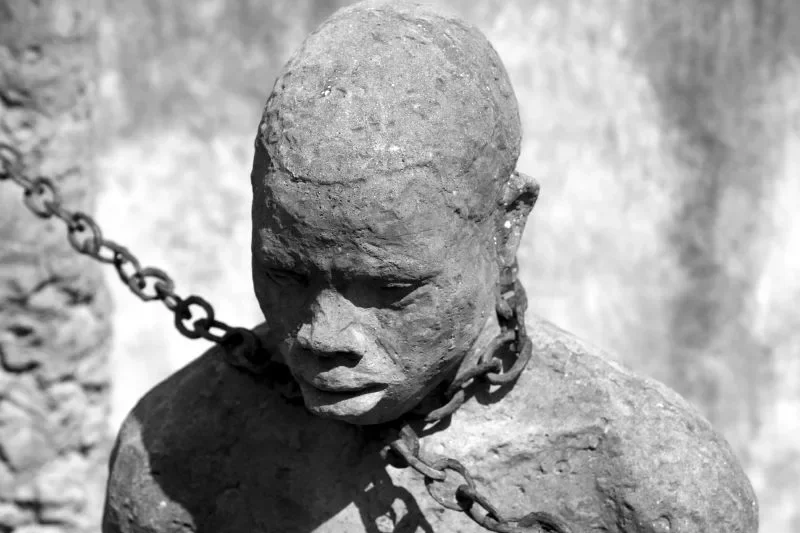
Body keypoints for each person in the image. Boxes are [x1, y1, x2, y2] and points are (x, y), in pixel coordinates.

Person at [102, 2, 758, 532]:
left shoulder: (651, 483)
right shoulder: (174, 459)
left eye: (390, 287)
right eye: (287, 274)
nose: (322, 336)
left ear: (506, 226)